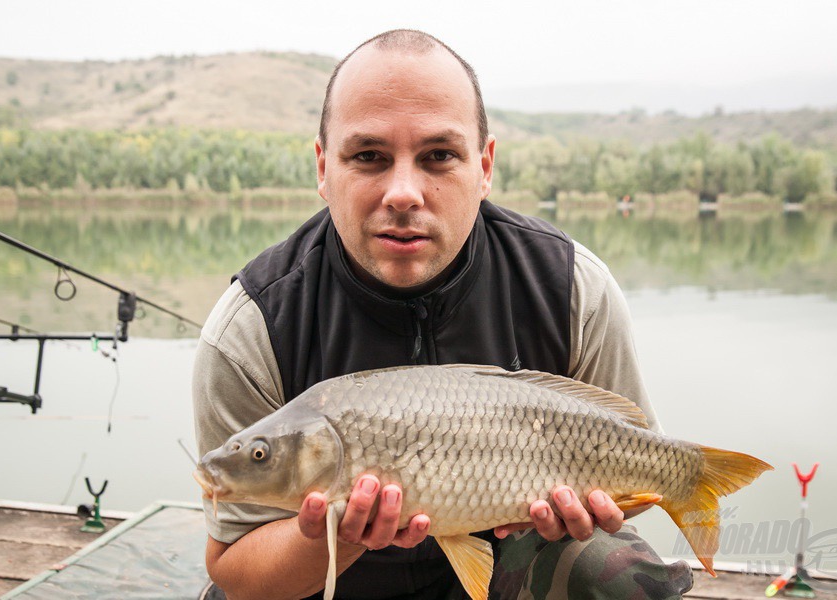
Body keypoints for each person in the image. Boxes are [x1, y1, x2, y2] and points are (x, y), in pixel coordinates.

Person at [193, 29, 693, 599]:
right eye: (368, 156)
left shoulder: (572, 289)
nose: (403, 192)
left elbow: (638, 475)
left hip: (509, 567)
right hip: (324, 586)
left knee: (613, 570)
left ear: (484, 166)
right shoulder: (252, 325)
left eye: (438, 156)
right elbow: (234, 569)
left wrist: (589, 507)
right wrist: (343, 533)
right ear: (323, 167)